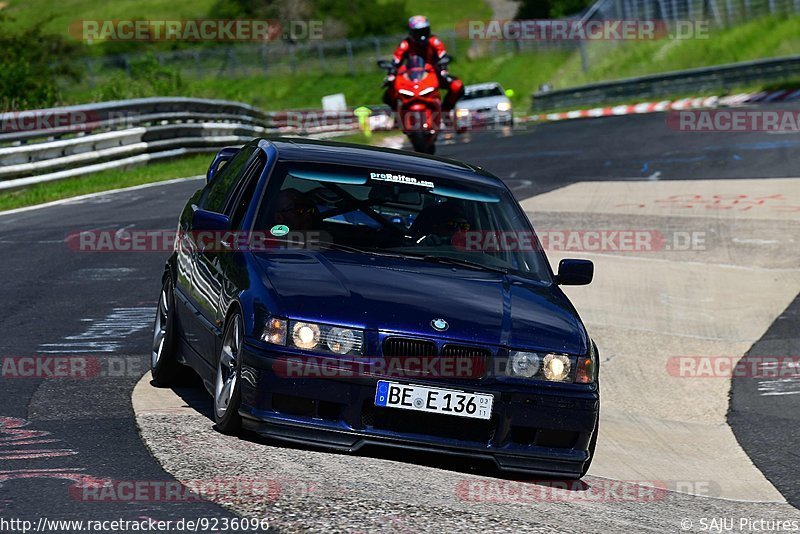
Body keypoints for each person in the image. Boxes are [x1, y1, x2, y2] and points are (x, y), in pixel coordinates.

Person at [382, 15, 465, 112]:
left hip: (433, 75)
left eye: (424, 31)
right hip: (411, 78)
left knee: (457, 86)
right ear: (411, 32)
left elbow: (442, 55)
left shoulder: (434, 41)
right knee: (388, 95)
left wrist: (443, 69)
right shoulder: (405, 44)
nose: (422, 36)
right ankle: (398, 116)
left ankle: (445, 112)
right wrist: (391, 74)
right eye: (418, 32)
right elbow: (396, 61)